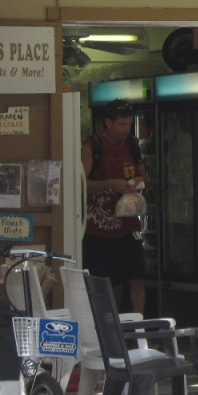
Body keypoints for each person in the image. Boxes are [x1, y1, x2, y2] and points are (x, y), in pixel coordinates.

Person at [82, 101, 147, 314]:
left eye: (129, 124)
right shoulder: (92, 147)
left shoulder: (132, 145)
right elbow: (80, 185)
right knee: (100, 282)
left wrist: (139, 182)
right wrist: (109, 184)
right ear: (108, 123)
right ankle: (103, 325)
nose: (126, 129)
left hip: (128, 226)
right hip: (98, 229)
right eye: (122, 124)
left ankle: (138, 326)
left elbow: (143, 174)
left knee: (137, 278)